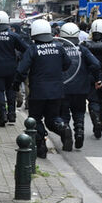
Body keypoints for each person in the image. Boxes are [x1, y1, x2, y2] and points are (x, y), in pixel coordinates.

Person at [16, 20, 73, 157]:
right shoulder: (59, 47)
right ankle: (63, 128)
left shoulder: (33, 49)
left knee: (35, 119)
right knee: (52, 118)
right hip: (57, 91)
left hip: (38, 92)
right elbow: (67, 64)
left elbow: (21, 70)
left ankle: (41, 146)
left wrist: (16, 84)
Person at [0, 11, 29, 127]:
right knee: (11, 91)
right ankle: (12, 114)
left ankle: (2, 115)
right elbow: (26, 49)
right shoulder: (13, 36)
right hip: (12, 68)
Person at [58, 22, 102, 150]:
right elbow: (96, 64)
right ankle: (79, 131)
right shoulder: (82, 50)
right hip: (81, 89)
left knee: (64, 114)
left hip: (63, 88)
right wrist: (92, 76)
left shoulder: (59, 49)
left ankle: (66, 135)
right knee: (79, 112)